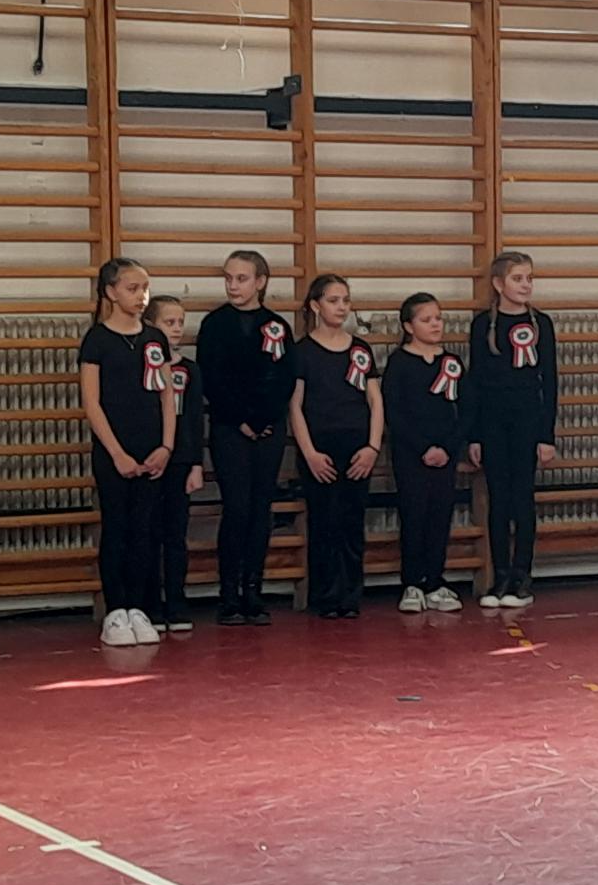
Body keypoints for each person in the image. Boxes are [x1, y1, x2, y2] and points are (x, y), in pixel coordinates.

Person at [79, 258, 175, 647]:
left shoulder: (155, 338)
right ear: (111, 292)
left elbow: (167, 395)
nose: (141, 296)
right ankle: (115, 610)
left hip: (152, 450)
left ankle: (138, 607)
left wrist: (166, 446)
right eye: (132, 289)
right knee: (117, 527)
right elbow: (92, 402)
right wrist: (117, 453)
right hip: (113, 452)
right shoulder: (97, 340)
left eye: (145, 288)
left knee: (144, 529)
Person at [196, 250, 296, 625]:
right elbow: (212, 378)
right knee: (237, 508)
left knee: (260, 508)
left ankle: (254, 589)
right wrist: (240, 419)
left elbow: (284, 377)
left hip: (268, 429)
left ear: (260, 282)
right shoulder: (215, 324)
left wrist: (265, 418)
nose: (233, 285)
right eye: (228, 278)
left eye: (241, 278)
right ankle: (229, 594)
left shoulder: (276, 326)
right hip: (230, 428)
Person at [288, 274, 385, 620]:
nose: (341, 307)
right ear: (315, 306)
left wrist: (373, 446)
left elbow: (375, 400)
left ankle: (350, 595)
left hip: (357, 447)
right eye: (333, 300)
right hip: (320, 448)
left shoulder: (360, 349)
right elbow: (295, 405)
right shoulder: (302, 351)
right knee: (324, 520)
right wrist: (309, 453)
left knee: (352, 521)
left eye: (345, 300)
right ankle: (326, 595)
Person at [465, 252, 559, 609]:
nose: (526, 285)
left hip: (527, 422)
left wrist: (546, 435)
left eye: (529, 278)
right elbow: (475, 382)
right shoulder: (482, 325)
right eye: (518, 278)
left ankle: (522, 575)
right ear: (498, 283)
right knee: (498, 499)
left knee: (522, 498)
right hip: (492, 422)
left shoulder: (542, 324)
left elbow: (550, 381)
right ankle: (499, 575)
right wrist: (474, 435)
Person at [381, 293, 466, 614]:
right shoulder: (399, 362)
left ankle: (435, 581)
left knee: (440, 515)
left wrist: (448, 447)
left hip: (445, 454)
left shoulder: (452, 362)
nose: (435, 325)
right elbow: (394, 412)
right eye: (426, 319)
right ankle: (412, 583)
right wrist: (423, 447)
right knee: (414, 514)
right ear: (408, 326)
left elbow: (466, 409)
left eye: (438, 318)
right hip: (411, 453)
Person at [144, 295, 204, 631]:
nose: (178, 328)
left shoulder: (190, 369)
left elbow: (195, 420)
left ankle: (177, 602)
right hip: (150, 459)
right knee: (148, 533)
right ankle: (150, 603)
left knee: (175, 535)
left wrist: (196, 464)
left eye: (181, 322)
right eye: (169, 322)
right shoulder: (143, 365)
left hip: (180, 461)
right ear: (151, 326)